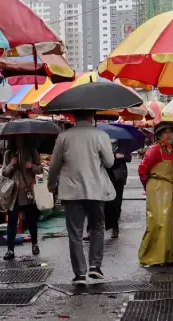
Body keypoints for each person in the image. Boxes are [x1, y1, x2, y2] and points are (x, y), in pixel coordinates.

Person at [48, 111, 115, 285]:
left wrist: (51, 185)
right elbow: (110, 163)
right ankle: (95, 266)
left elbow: (54, 164)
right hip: (96, 190)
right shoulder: (101, 135)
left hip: (72, 192)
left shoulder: (64, 136)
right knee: (97, 227)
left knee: (75, 233)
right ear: (92, 116)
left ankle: (79, 274)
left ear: (74, 117)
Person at [138, 121, 173, 266]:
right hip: (156, 188)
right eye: (165, 132)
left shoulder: (172, 151)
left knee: (167, 223)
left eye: (171, 132)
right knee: (156, 222)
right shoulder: (154, 150)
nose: (169, 135)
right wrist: (148, 186)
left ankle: (167, 256)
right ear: (159, 135)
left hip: (169, 188)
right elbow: (142, 170)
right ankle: (150, 256)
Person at [2, 136, 42, 260]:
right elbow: (4, 172)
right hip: (13, 193)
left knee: (31, 221)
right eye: (17, 138)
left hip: (27, 191)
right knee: (12, 222)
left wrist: (31, 167)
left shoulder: (32, 151)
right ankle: (10, 249)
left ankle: (34, 244)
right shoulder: (8, 153)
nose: (19, 140)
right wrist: (11, 165)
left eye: (21, 138)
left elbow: (40, 169)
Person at [105, 140, 132, 238]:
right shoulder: (103, 144)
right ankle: (91, 229)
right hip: (105, 174)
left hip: (118, 176)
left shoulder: (123, 146)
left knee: (116, 201)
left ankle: (115, 227)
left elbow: (129, 158)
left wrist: (122, 156)